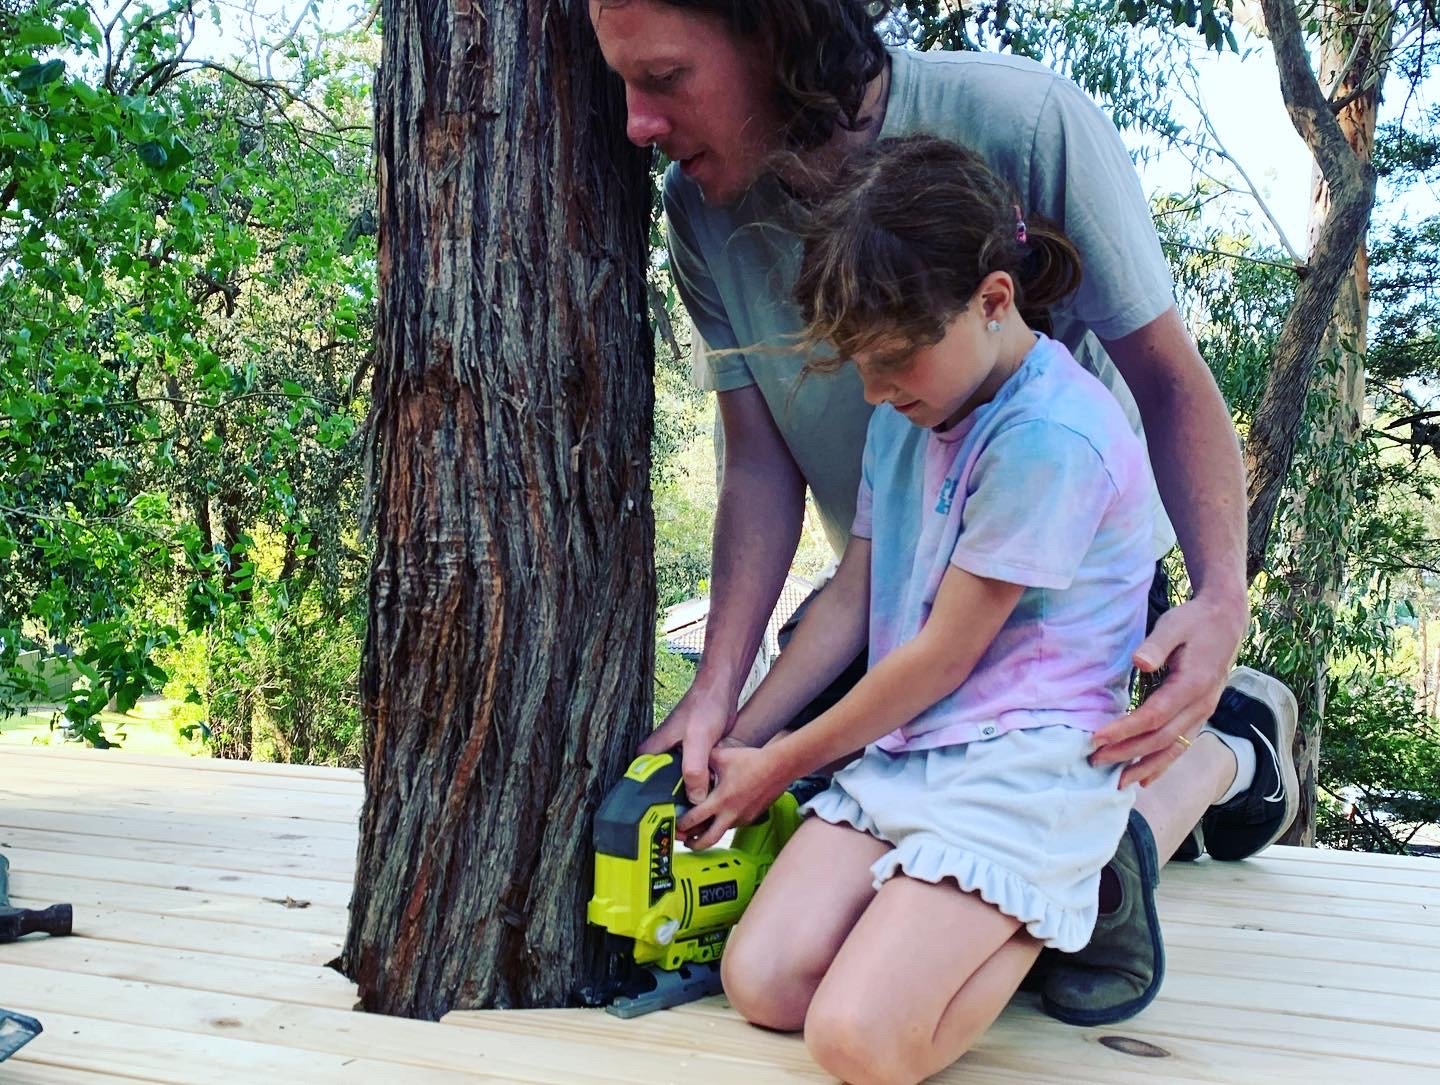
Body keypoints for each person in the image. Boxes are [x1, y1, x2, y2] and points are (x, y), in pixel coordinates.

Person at [587, 0, 1300, 1026]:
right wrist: (722, 701)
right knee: (768, 889)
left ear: (771, 35)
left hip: (1062, 620)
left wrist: (1222, 601)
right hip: (895, 597)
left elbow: (1168, 376)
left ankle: (1216, 750)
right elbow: (760, 466)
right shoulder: (704, 213)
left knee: (1067, 807)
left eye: (662, 78)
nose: (636, 124)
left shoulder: (1021, 124)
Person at [675, 130, 1159, 1085]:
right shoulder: (914, 407)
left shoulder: (1050, 437)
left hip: (1027, 758)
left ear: (992, 300)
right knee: (766, 982)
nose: (872, 389)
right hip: (915, 745)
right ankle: (946, 918)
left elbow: (940, 656)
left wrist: (781, 764)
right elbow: (856, 595)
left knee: (861, 1041)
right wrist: (736, 727)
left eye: (892, 358)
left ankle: (1068, 882)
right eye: (857, 361)